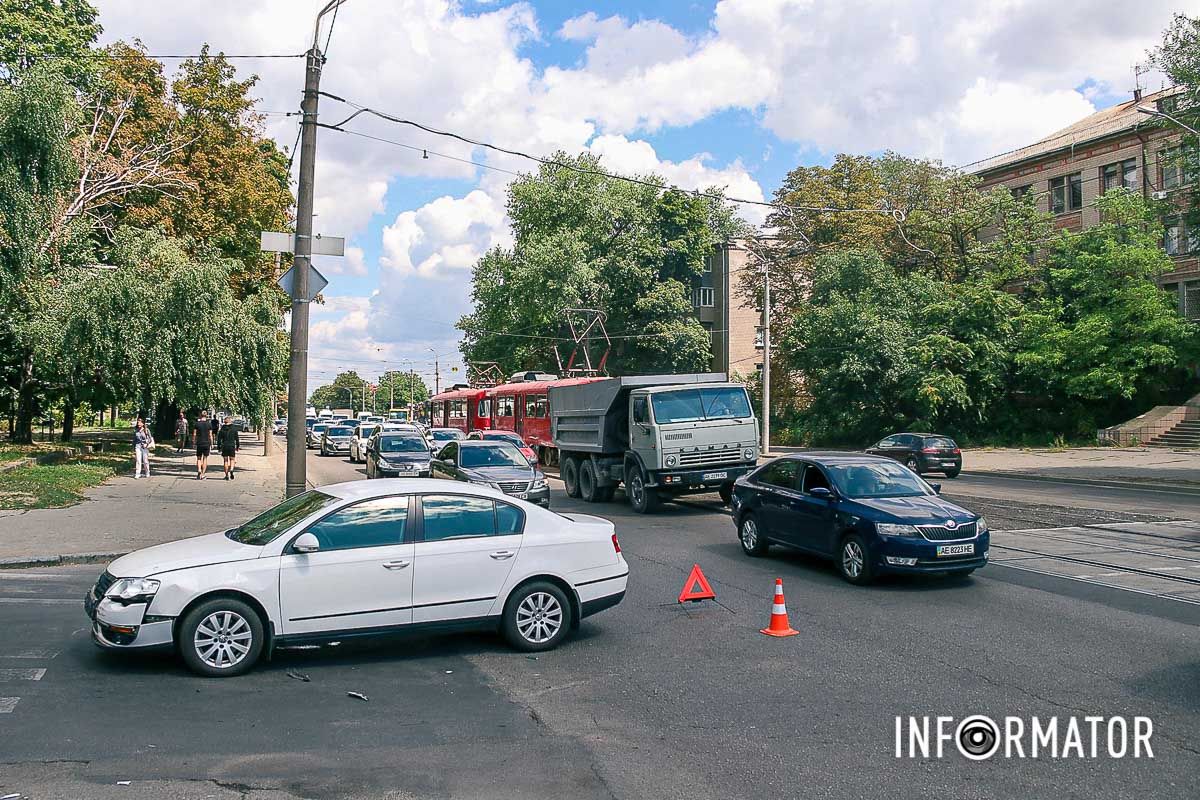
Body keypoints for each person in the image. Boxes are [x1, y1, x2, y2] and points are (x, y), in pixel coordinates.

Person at [193, 410, 214, 480]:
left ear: (200, 415)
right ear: (207, 415)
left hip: (199, 442)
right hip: (206, 443)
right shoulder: (209, 424)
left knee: (199, 458)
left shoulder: (197, 424)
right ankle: (203, 474)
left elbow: (194, 434)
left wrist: (194, 442)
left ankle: (199, 470)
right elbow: (210, 435)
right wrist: (212, 443)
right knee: (205, 458)